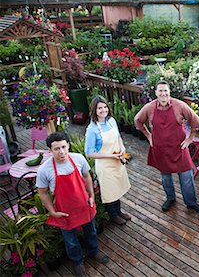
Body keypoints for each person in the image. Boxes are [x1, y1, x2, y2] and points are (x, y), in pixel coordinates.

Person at [37, 132, 109, 277]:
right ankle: (77, 262)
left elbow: (87, 176)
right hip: (64, 211)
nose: (61, 152)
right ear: (50, 150)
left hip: (84, 205)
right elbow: (43, 193)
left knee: (91, 231)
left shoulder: (78, 158)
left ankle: (94, 252)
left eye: (63, 147)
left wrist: (92, 196)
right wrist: (52, 212)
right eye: (56, 149)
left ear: (68, 145)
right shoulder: (44, 170)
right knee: (70, 240)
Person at [134, 80, 199, 214]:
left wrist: (190, 139)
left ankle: (191, 203)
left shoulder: (179, 105)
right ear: (156, 93)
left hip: (179, 148)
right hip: (160, 149)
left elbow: (195, 119)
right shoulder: (149, 108)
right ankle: (170, 198)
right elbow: (137, 120)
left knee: (187, 177)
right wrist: (149, 136)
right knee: (166, 177)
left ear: (169, 92)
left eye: (165, 91)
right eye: (160, 91)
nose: (163, 94)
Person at [85, 95, 131, 225]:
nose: (103, 110)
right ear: (94, 110)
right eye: (100, 108)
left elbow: (118, 138)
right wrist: (110, 156)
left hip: (117, 160)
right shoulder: (92, 129)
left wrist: (122, 148)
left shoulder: (111, 121)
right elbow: (89, 153)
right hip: (105, 164)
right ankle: (113, 215)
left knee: (117, 187)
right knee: (110, 191)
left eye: (105, 107)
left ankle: (119, 212)